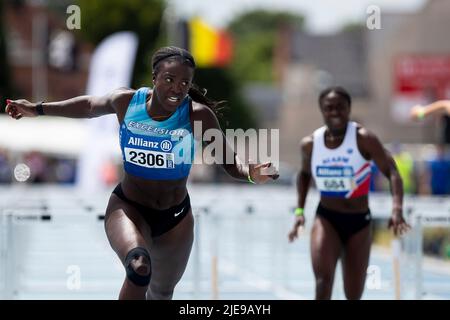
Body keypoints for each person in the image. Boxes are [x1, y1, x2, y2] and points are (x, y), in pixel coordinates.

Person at [5, 46, 279, 300]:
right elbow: (88, 106)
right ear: (154, 77)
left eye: (185, 83)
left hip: (176, 219)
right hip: (128, 208)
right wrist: (38, 109)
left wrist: (251, 173)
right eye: (170, 79)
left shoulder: (199, 116)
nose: (177, 89)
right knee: (139, 268)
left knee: (161, 294)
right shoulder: (127, 102)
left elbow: (230, 165)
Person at [288, 86, 410, 300]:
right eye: (329, 108)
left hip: (359, 223)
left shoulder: (364, 139)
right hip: (327, 218)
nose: (335, 112)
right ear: (322, 111)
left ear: (349, 109)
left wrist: (397, 209)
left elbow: (392, 171)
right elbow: (304, 175)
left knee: (353, 294)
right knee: (322, 282)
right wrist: (299, 211)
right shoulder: (310, 144)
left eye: (340, 107)